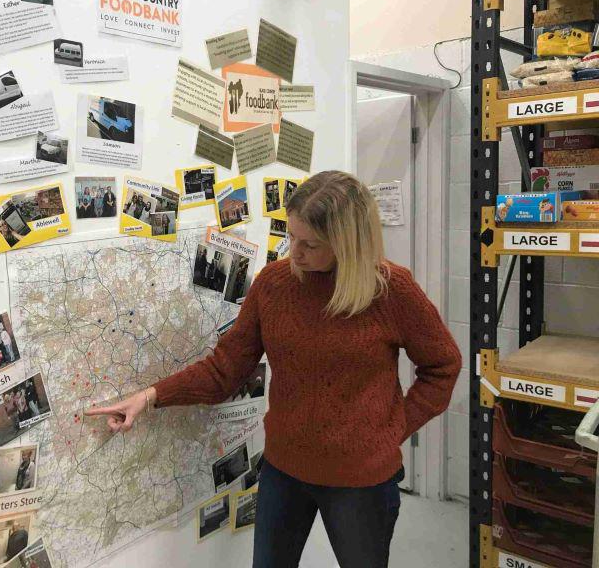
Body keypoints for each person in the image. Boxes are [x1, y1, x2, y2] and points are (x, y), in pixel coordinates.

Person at [85, 170, 461, 568]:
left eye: (309, 244)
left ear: (348, 243)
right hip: (285, 471)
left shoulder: (390, 289)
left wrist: (392, 428)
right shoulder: (274, 285)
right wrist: (149, 397)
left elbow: (443, 366)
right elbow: (224, 370)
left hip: (361, 481)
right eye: (291, 236)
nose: (294, 252)